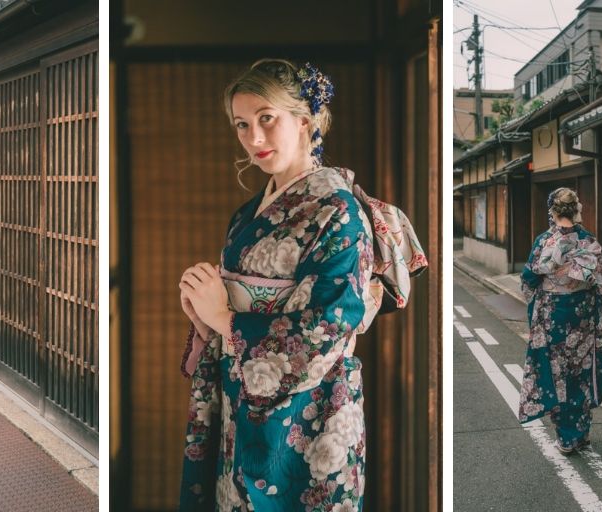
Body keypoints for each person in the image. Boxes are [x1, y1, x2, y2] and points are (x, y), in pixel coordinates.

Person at [176, 59, 426, 511]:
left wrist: (223, 316)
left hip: (311, 413)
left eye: (266, 119)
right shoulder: (246, 216)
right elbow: (228, 311)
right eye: (242, 124)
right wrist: (204, 310)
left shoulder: (339, 213)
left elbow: (329, 326)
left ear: (305, 121)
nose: (253, 138)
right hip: (242, 400)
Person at [517, 187, 602, 454]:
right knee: (581, 373)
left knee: (557, 375)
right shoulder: (588, 240)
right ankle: (580, 433)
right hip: (582, 317)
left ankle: (567, 438)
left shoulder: (544, 241)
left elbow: (528, 281)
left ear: (552, 211)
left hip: (552, 316)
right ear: (576, 209)